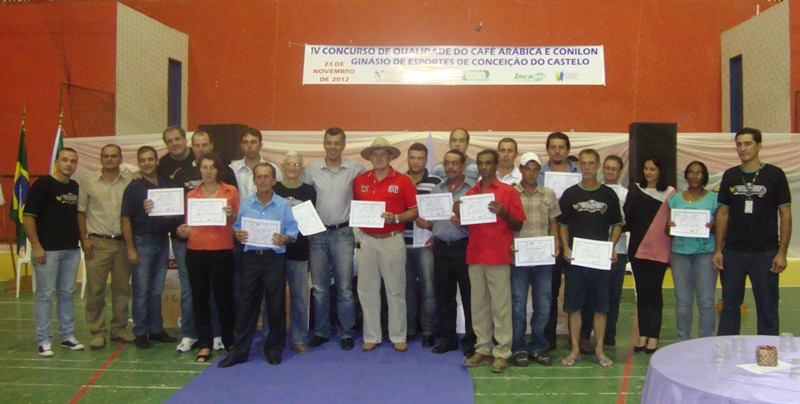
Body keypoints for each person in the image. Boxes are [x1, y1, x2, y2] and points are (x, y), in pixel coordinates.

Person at [218, 163, 298, 367]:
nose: (262, 180)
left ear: (274, 180)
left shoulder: (283, 205)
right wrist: (239, 233)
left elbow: (293, 231)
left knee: (276, 306)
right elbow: (238, 227)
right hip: (251, 260)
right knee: (246, 307)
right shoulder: (246, 204)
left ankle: (274, 350)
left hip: (274, 260)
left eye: (266, 177)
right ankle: (239, 352)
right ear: (254, 180)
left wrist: (285, 238)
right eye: (259, 177)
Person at [714, 127, 791, 336]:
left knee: (767, 307)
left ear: (759, 146)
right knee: (730, 306)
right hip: (733, 253)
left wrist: (782, 253)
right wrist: (718, 250)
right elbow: (722, 213)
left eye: (748, 143)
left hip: (765, 254)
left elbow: (785, 215)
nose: (742, 148)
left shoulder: (775, 175)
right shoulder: (730, 175)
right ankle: (727, 349)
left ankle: (767, 350)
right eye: (739, 144)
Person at [461, 149, 525, 374]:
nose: (484, 167)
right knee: (478, 306)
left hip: (498, 256)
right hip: (475, 255)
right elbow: (467, 226)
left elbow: (519, 224)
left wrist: (504, 214)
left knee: (501, 306)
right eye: (480, 163)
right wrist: (459, 214)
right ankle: (483, 348)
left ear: (496, 165)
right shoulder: (471, 193)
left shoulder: (508, 192)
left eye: (488, 163)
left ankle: (502, 352)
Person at [301, 127, 365, 351]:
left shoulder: (356, 169)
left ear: (344, 145)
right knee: (319, 288)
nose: (333, 147)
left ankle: (346, 333)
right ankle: (321, 332)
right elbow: (303, 199)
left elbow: (367, 194)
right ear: (324, 144)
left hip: (343, 234)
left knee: (345, 287)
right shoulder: (311, 170)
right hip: (317, 235)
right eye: (329, 142)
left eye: (337, 143)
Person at [558, 149, 622, 368]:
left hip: (600, 261)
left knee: (600, 308)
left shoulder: (608, 195)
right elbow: (562, 225)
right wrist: (566, 248)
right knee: (574, 307)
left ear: (598, 166)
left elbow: (617, 224)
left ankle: (599, 350)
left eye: (591, 163)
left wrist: (611, 246)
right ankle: (575, 349)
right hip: (576, 261)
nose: (587, 167)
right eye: (583, 163)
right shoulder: (570, 194)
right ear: (579, 166)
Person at [354, 138, 419, 352]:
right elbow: (355, 209)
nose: (379, 157)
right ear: (370, 157)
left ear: (390, 156)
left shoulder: (403, 181)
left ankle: (398, 335)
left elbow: (415, 210)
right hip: (367, 240)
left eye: (383, 153)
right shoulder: (360, 181)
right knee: (367, 290)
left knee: (396, 289)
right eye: (375, 154)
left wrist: (397, 218)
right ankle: (371, 335)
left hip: (392, 240)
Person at [176, 153, 238, 363]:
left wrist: (231, 215)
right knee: (199, 298)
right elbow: (189, 225)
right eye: (205, 167)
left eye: (212, 167)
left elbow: (237, 220)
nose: (208, 171)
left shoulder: (231, 191)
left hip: (222, 249)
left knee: (224, 298)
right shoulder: (192, 195)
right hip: (197, 250)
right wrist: (184, 230)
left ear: (218, 170)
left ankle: (229, 340)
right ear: (199, 170)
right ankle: (204, 343)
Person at [24, 148, 84, 357]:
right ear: (57, 161)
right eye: (65, 160)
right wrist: (36, 246)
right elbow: (28, 217)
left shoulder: (75, 187)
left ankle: (67, 336)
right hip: (47, 251)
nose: (69, 164)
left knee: (67, 294)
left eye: (73, 161)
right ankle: (43, 340)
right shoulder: (42, 185)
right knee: (45, 295)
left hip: (71, 250)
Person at [419, 149, 477, 356]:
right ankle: (448, 338)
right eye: (447, 163)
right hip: (441, 247)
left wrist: (465, 223)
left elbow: (480, 222)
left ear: (463, 166)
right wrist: (426, 224)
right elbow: (433, 221)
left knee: (470, 296)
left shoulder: (473, 190)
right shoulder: (437, 190)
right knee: (444, 295)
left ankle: (471, 340)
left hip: (464, 246)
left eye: (455, 163)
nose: (451, 167)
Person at [77, 144, 134, 349]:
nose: (110, 159)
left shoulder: (130, 180)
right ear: (101, 159)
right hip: (97, 243)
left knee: (122, 289)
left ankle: (119, 328)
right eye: (106, 156)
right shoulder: (88, 181)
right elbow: (81, 212)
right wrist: (84, 239)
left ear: (120, 159)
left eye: (114, 156)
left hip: (123, 243)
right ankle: (98, 331)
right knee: (96, 290)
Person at [121, 146, 178, 349]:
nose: (147, 163)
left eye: (150, 159)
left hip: (162, 242)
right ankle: (140, 331)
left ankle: (156, 329)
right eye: (143, 160)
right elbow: (125, 218)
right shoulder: (134, 187)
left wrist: (171, 213)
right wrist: (131, 248)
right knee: (142, 289)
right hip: (142, 242)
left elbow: (172, 209)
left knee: (156, 290)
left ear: (156, 161)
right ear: (139, 163)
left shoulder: (164, 183)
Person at [510, 152, 560, 367]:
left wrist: (556, 242)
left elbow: (554, 223)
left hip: (543, 260)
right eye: (527, 169)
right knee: (518, 305)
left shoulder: (549, 194)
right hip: (518, 260)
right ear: (521, 169)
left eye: (535, 169)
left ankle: (538, 346)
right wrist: (508, 244)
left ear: (539, 171)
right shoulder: (510, 193)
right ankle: (518, 347)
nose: (531, 173)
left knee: (543, 305)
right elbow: (505, 224)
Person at [229, 127, 282, 315]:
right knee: (241, 286)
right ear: (241, 145)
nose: (249, 146)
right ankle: (242, 327)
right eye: (246, 142)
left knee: (270, 290)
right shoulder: (232, 170)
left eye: (253, 142)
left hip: (267, 237)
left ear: (260, 144)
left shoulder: (273, 169)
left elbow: (279, 200)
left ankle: (267, 329)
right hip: (242, 234)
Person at [624, 158, 675, 354]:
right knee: (642, 293)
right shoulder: (635, 190)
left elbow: (674, 221)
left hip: (659, 250)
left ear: (660, 171)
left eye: (652, 169)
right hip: (637, 250)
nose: (648, 172)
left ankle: (654, 336)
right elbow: (627, 219)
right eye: (645, 168)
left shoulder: (670, 193)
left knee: (654, 292)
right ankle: (643, 334)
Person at [580, 155, 629, 348]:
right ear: (602, 169)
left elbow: (629, 220)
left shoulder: (626, 194)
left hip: (618, 250)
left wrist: (622, 223)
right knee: (589, 294)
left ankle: (609, 334)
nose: (610, 171)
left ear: (620, 171)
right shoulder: (595, 191)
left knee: (613, 294)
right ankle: (585, 333)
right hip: (593, 249)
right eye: (607, 168)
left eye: (614, 168)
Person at [667, 161, 718, 341]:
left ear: (704, 176)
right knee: (683, 302)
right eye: (690, 172)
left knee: (706, 302)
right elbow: (668, 230)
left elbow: (722, 228)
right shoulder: (675, 199)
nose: (694, 176)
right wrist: (670, 226)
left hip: (706, 253)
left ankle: (705, 342)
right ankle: (683, 342)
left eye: (699, 173)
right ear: (686, 175)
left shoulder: (714, 199)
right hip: (680, 254)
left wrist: (713, 227)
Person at [539, 132, 580, 351]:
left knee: (578, 290)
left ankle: (579, 338)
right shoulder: (539, 175)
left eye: (561, 147)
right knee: (550, 291)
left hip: (576, 239)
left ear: (568, 150)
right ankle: (549, 338)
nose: (557, 151)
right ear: (547, 150)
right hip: (549, 239)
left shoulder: (579, 174)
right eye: (553, 147)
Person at [273, 151, 316, 354]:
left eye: (296, 165)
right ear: (282, 167)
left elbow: (312, 221)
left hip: (299, 251)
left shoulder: (309, 191)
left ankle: (298, 338)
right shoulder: (274, 189)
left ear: (302, 168)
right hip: (275, 251)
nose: (292, 168)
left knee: (299, 297)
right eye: (289, 164)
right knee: (273, 297)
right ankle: (272, 337)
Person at [156, 126, 193, 350]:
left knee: (209, 285)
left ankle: (213, 331)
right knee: (187, 285)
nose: (174, 143)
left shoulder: (200, 159)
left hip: (207, 235)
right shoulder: (162, 165)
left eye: (177, 139)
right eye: (169, 141)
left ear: (185, 139)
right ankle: (189, 332)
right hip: (179, 237)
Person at [403, 142, 441, 346]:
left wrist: (434, 230)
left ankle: (428, 330)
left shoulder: (436, 182)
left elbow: (442, 213)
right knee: (406, 289)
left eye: (420, 158)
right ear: (407, 159)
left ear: (426, 160)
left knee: (429, 289)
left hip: (426, 244)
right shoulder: (399, 180)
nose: (416, 162)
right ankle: (409, 329)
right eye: (412, 157)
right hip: (403, 243)